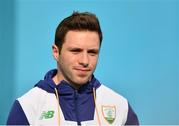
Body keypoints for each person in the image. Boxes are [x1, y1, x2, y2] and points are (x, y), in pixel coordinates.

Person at [7, 11, 139, 125]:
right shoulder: (27, 107)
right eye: (76, 51)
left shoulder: (120, 106)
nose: (85, 61)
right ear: (56, 52)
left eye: (92, 52)